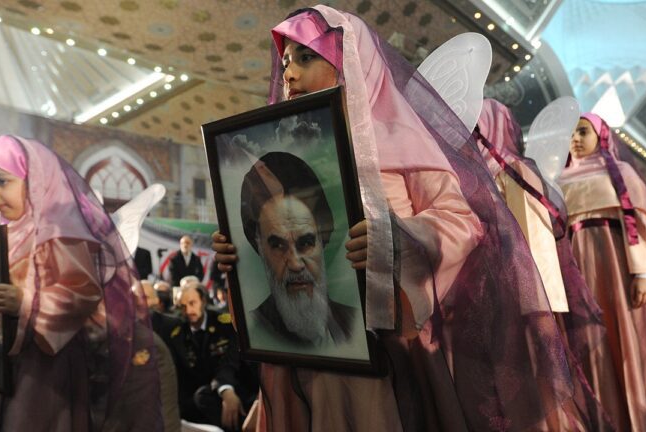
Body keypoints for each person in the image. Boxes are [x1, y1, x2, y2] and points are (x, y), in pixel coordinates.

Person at [215, 6, 576, 431]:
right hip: (302, 352)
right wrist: (238, 253)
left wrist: (397, 241)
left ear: (350, 56)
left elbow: (461, 221)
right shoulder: (272, 154)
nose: (289, 73)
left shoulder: (401, 137)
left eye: (306, 57)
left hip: (386, 349)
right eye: (286, 60)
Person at [0, 135, 162, 431]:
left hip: (44, 371)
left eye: (2, 181)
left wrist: (25, 303)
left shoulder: (60, 234)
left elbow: (82, 292)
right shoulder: (6, 235)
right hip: (1, 367)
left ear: (35, 179)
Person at [559, 113, 646, 430]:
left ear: (601, 135)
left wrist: (641, 273)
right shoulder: (560, 180)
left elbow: (636, 227)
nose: (576, 139)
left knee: (634, 338)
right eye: (571, 134)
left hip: (620, 268)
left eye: (583, 131)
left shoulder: (620, 173)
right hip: (581, 271)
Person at [474, 99, 609, 430]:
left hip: (524, 305)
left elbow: (537, 243)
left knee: (538, 390)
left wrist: (540, 309)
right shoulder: (479, 174)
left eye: (477, 126)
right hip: (494, 300)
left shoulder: (516, 172)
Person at [240, 152, 357, 347]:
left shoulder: (355, 324)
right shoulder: (253, 329)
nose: (295, 264)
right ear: (260, 247)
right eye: (277, 246)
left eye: (305, 243)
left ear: (322, 239)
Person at [164, 285, 258, 430]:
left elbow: (230, 361)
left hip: (235, 385)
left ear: (203, 301)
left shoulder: (225, 324)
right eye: (183, 306)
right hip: (203, 397)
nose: (188, 311)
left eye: (192, 303)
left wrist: (225, 388)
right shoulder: (177, 335)